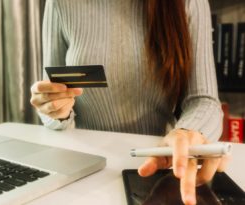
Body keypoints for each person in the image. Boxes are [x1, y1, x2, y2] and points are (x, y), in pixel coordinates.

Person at [30, 0, 228, 204]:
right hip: (81, 168)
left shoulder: (190, 3)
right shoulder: (60, 4)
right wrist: (54, 111)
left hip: (156, 165)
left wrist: (188, 132)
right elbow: (51, 106)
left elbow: (204, 100)